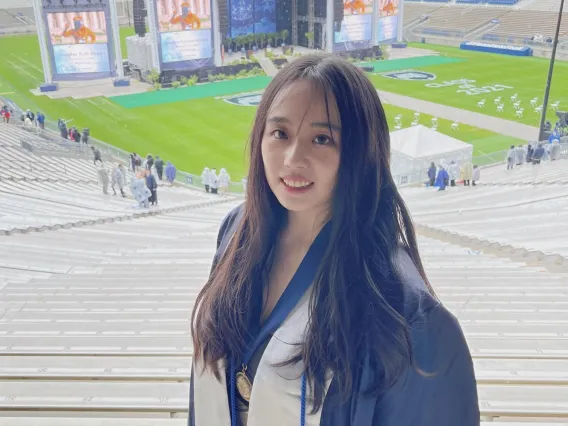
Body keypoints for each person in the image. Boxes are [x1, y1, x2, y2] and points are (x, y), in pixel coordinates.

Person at [188, 55, 478, 426]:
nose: (293, 158)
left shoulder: (404, 311)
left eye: (322, 139)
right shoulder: (236, 233)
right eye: (280, 133)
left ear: (360, 153)